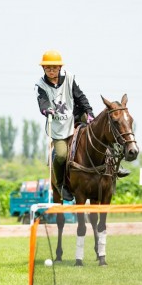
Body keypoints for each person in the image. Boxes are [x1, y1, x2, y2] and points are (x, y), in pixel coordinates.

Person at [35, 50, 129, 201]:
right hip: (58, 126)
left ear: (59, 67)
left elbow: (80, 97)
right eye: (48, 67)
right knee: (60, 155)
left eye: (54, 67)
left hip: (76, 115)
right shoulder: (40, 85)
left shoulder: (69, 77)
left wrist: (89, 112)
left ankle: (115, 166)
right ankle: (61, 185)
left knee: (102, 130)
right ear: (43, 69)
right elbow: (42, 102)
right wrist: (46, 109)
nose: (51, 70)